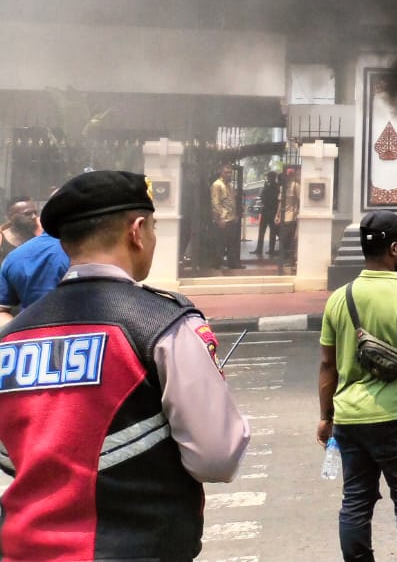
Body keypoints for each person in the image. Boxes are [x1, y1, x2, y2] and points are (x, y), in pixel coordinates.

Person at [0, 170, 250, 560]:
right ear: (136, 231)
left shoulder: (12, 336)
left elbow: (10, 453)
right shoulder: (162, 325)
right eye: (152, 228)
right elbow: (217, 457)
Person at [318, 211, 397, 562]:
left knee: (356, 500)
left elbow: (327, 365)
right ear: (392, 248)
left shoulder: (338, 299)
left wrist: (326, 417)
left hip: (350, 419)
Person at [0, 230, 70, 326]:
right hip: (81, 332)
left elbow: (2, 311)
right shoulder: (82, 252)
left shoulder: (13, 258)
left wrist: (18, 337)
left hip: (30, 332)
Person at [211, 164, 238, 270]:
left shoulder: (229, 186)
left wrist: (235, 215)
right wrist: (220, 218)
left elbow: (231, 202)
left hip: (231, 218)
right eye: (226, 172)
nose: (229, 174)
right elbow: (215, 203)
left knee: (231, 243)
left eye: (230, 172)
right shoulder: (217, 185)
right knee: (220, 244)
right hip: (222, 219)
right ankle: (216, 265)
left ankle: (232, 264)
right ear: (221, 173)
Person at [0, 196, 39, 263]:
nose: (34, 216)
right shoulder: (1, 240)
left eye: (35, 213)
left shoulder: (40, 236)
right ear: (10, 216)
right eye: (27, 214)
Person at [255, 170, 281, 257]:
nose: (268, 178)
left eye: (269, 177)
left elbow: (265, 198)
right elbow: (263, 197)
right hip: (267, 211)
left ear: (272, 177)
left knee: (270, 232)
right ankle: (264, 249)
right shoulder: (271, 186)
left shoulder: (275, 187)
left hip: (270, 211)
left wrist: (265, 189)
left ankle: (267, 249)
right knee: (264, 231)